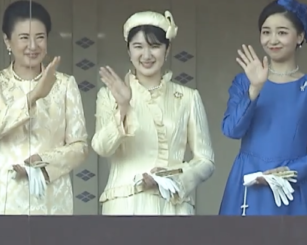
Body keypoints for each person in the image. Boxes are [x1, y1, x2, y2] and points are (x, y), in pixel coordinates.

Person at [218, 0, 307, 216]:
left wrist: (290, 172)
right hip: (249, 182)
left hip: (294, 185)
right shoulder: (244, 81)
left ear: (300, 36)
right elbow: (231, 129)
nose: (273, 40)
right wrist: (255, 89)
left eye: (282, 32)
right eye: (266, 32)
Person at [92, 11, 215, 215]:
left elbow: (206, 160)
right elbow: (102, 147)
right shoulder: (108, 95)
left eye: (155, 46)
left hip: (174, 206)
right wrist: (123, 106)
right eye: (138, 46)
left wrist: (175, 178)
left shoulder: (188, 97)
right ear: (129, 51)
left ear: (167, 50)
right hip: (123, 206)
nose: (147, 55)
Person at [0, 0, 88, 215]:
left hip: (51, 197)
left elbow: (79, 146)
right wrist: (34, 96)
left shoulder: (65, 84)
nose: (33, 46)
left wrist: (43, 161)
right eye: (24, 38)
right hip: (2, 197)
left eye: (40, 37)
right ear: (7, 41)